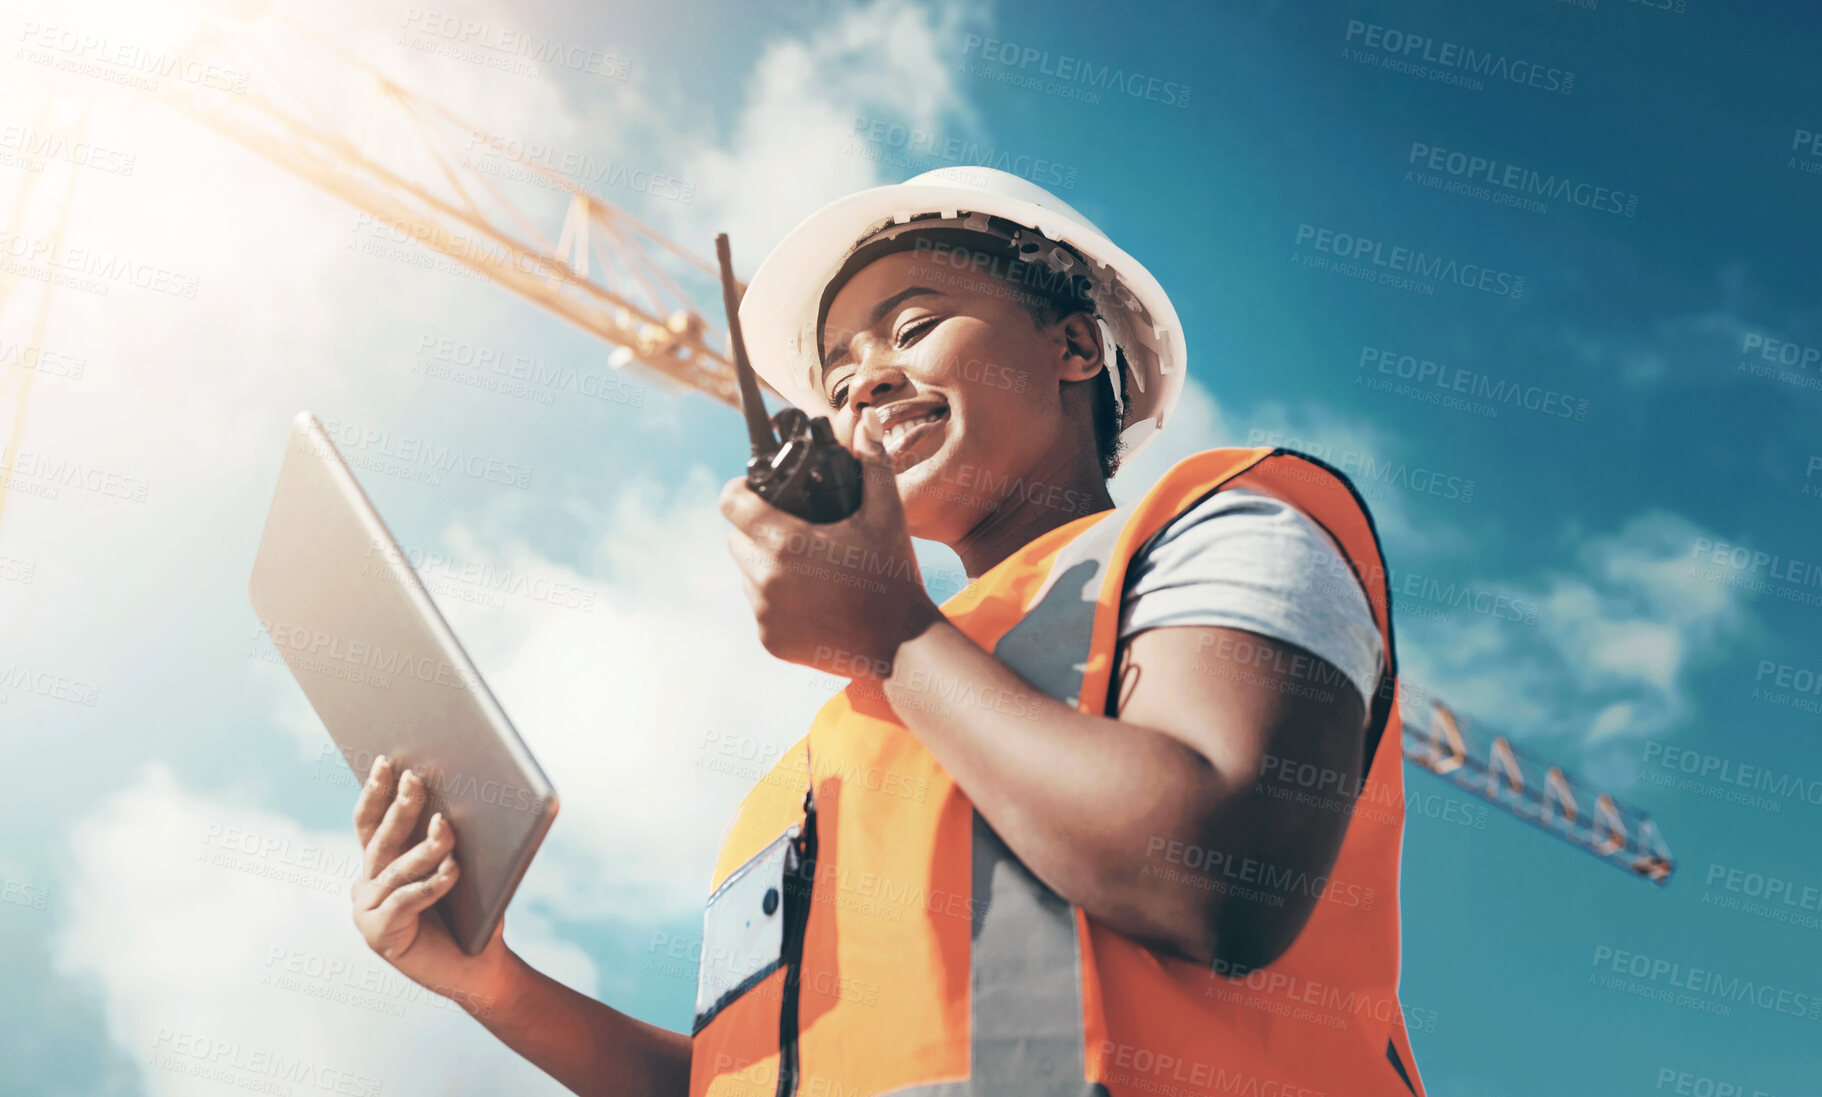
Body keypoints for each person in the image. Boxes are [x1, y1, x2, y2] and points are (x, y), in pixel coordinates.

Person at [345, 168, 1429, 1097]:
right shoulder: (829, 755)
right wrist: (493, 981)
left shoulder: (1227, 518)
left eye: (911, 326)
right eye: (836, 375)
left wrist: (895, 635)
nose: (862, 377)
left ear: (1073, 346)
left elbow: (1216, 876)